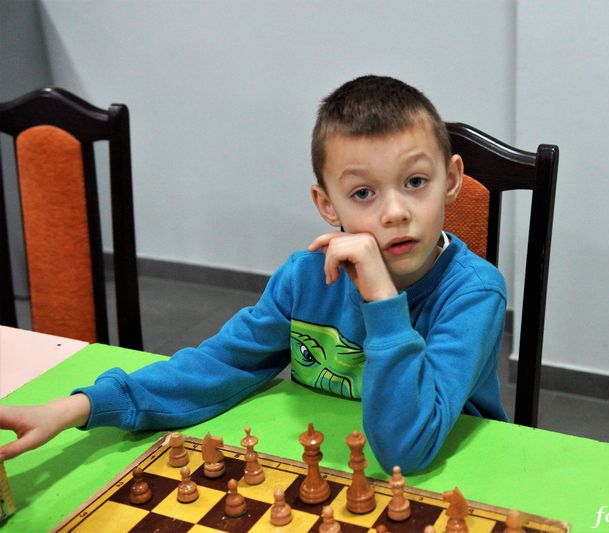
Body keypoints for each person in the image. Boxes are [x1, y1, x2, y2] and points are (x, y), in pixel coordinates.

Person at [0, 75, 508, 474]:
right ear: (327, 205)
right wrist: (77, 408)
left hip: (455, 478)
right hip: (332, 464)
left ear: (452, 179)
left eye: (415, 181)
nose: (395, 212)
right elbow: (219, 366)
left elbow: (408, 449)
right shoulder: (305, 279)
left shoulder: (474, 293)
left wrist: (381, 299)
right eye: (362, 193)